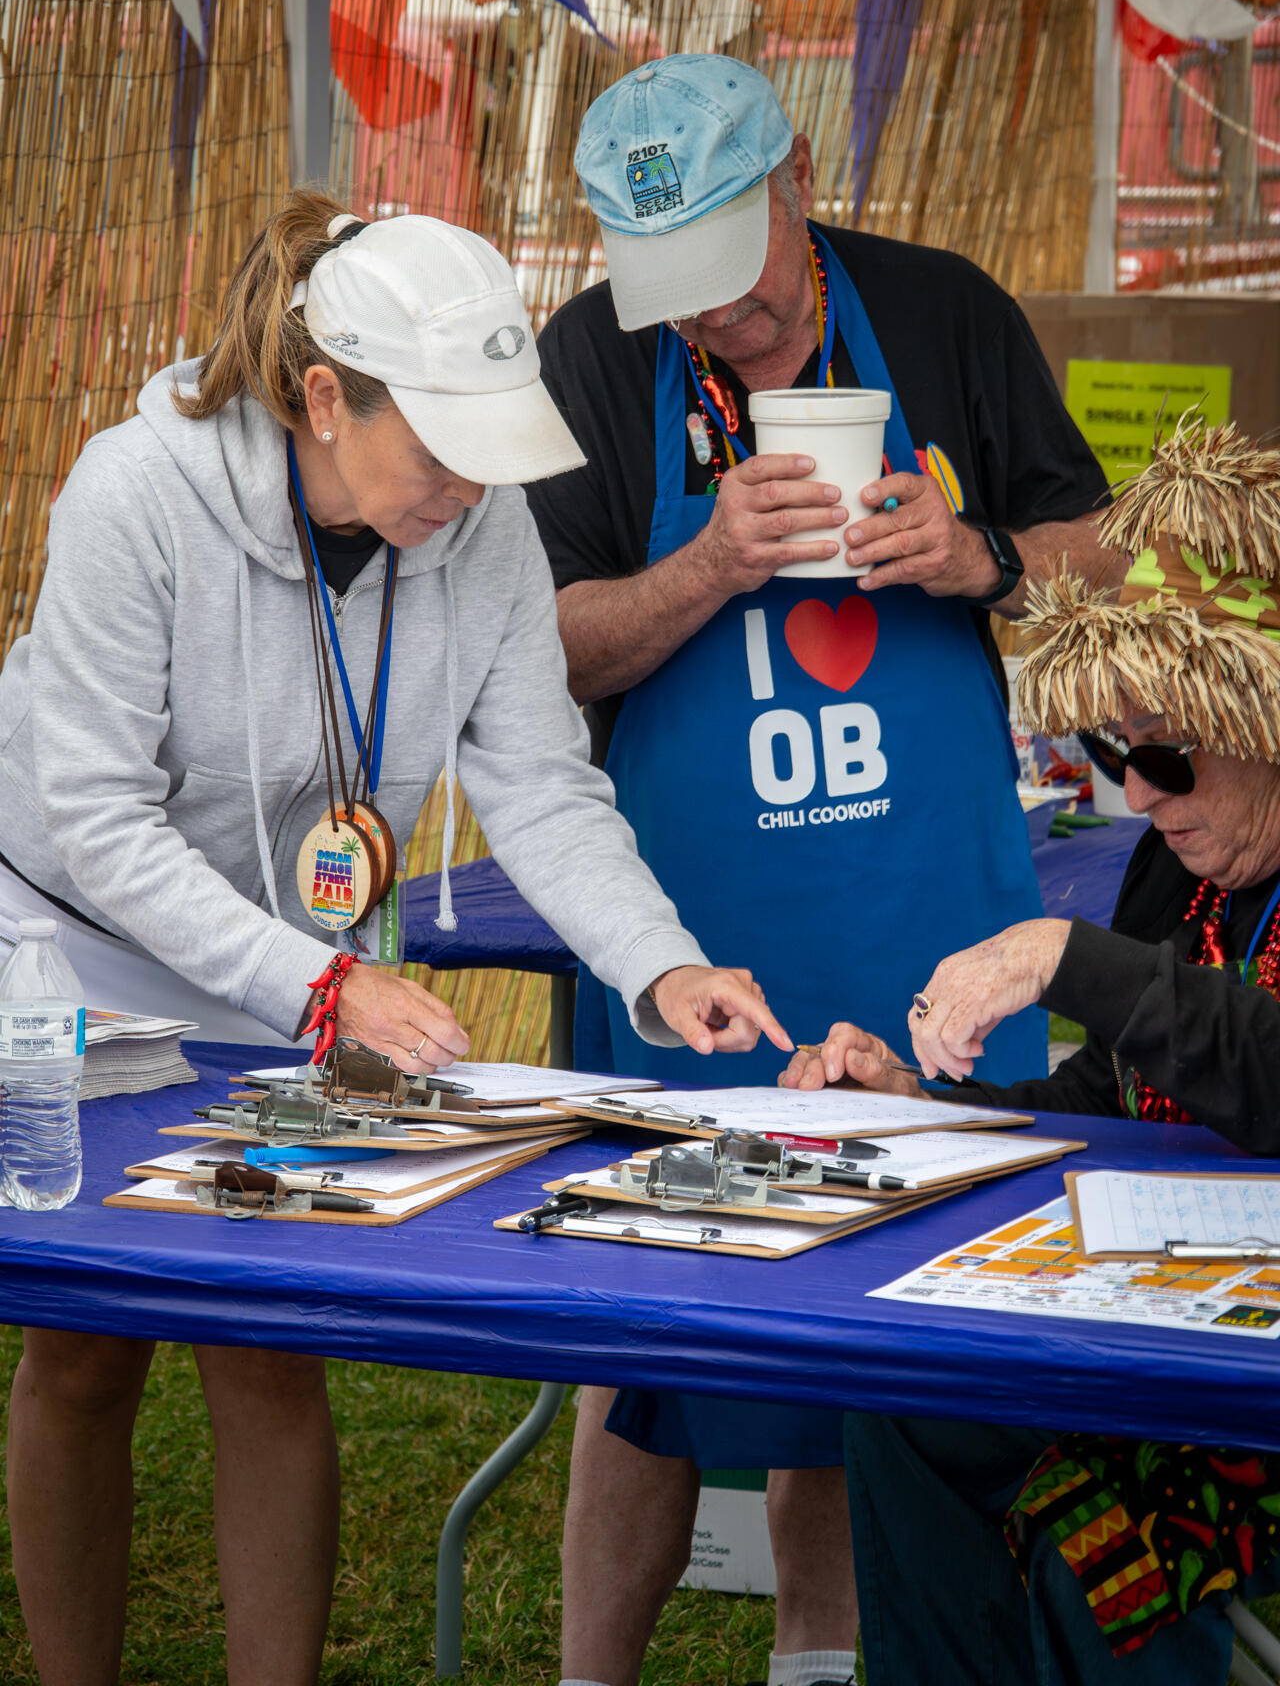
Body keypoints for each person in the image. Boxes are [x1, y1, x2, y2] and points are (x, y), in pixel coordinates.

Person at [0, 191, 791, 1686]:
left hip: (298, 959)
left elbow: (544, 787)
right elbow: (96, 820)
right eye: (442, 450)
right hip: (73, 938)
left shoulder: (472, 525)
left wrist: (660, 961)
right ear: (322, 396)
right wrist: (329, 981)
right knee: (84, 1343)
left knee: (268, 1341)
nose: (471, 489)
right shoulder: (134, 491)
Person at [526, 54, 1118, 1686]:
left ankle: (820, 1662)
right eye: (681, 296)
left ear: (795, 175)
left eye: (733, 275)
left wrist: (976, 554)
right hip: (693, 941)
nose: (713, 322)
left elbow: (1103, 552)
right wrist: (712, 560)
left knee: (884, 1342)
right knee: (639, 1349)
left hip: (930, 925)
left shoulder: (941, 312)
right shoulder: (591, 357)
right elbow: (549, 655)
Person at [787, 416, 1280, 1685]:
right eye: (1115, 754)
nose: (1135, 795)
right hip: (1176, 1329)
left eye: (1163, 751)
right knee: (903, 1404)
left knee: (1090, 1532)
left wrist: (1063, 957)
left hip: (1252, 1392)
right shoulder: (1182, 872)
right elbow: (1113, 1094)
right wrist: (928, 1108)